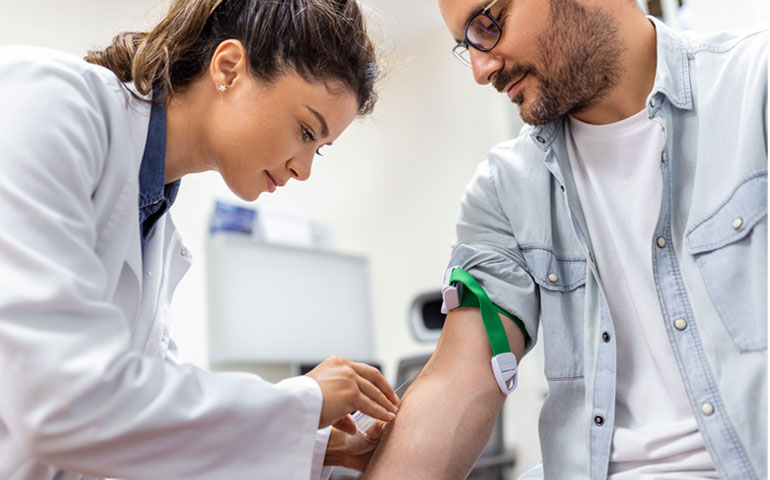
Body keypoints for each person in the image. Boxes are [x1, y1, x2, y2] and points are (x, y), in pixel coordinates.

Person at [364, 0, 767, 479]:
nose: (480, 69)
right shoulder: (504, 189)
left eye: (486, 25)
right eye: (465, 47)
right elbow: (459, 378)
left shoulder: (754, 86)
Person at [0, 0, 400, 479]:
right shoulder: (48, 102)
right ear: (228, 68)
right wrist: (303, 401)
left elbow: (140, 426)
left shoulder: (155, 227)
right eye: (304, 130)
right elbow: (60, 400)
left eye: (320, 148)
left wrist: (316, 444)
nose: (304, 169)